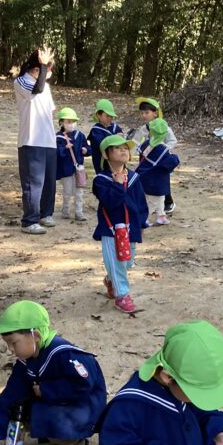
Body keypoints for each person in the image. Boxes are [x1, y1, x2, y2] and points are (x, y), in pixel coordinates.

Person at [0, 301, 106, 445]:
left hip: (85, 407)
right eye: (7, 343)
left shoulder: (64, 354)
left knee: (40, 414)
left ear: (36, 336)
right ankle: (58, 435)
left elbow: (84, 384)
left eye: (13, 343)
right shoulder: (27, 360)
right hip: (62, 403)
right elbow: (11, 394)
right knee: (21, 408)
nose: (10, 349)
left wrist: (47, 390)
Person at [93, 134, 148, 314]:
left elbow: (140, 203)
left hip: (130, 229)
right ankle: (122, 296)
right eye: (118, 148)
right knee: (117, 263)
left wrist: (141, 224)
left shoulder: (134, 178)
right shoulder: (101, 180)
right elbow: (110, 202)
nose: (124, 151)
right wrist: (117, 184)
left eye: (126, 148)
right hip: (111, 229)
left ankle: (111, 280)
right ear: (106, 154)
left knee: (127, 262)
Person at [14, 47, 58, 234]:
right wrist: (43, 65)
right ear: (37, 67)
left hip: (49, 140)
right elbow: (36, 90)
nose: (50, 72)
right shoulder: (21, 81)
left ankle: (45, 213)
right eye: (48, 67)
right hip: (31, 140)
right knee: (33, 183)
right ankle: (29, 221)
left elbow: (48, 112)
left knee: (49, 182)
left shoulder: (46, 86)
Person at [131, 97, 179, 214]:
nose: (144, 115)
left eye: (147, 112)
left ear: (155, 113)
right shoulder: (144, 128)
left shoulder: (164, 127)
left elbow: (172, 141)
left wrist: (163, 150)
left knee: (161, 180)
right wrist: (132, 150)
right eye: (142, 113)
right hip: (147, 159)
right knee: (147, 180)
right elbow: (135, 141)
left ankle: (168, 202)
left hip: (161, 159)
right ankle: (150, 204)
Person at [135, 117, 180, 226]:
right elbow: (172, 161)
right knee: (153, 202)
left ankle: (161, 216)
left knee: (160, 199)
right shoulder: (162, 149)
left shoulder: (146, 143)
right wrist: (175, 157)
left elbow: (140, 154)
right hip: (156, 181)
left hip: (144, 176)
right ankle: (143, 219)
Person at [55, 107, 91, 221]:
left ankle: (79, 213)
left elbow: (88, 148)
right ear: (62, 122)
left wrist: (86, 150)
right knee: (67, 192)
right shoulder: (58, 137)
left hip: (78, 168)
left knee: (79, 192)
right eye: (68, 121)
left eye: (73, 121)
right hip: (65, 170)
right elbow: (56, 152)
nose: (71, 124)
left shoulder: (80, 135)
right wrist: (65, 148)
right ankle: (65, 211)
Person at [88, 99, 124, 177]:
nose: (110, 118)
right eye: (107, 116)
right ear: (98, 115)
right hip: (102, 164)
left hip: (117, 161)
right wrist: (115, 138)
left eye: (111, 116)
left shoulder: (115, 127)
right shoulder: (96, 130)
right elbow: (102, 144)